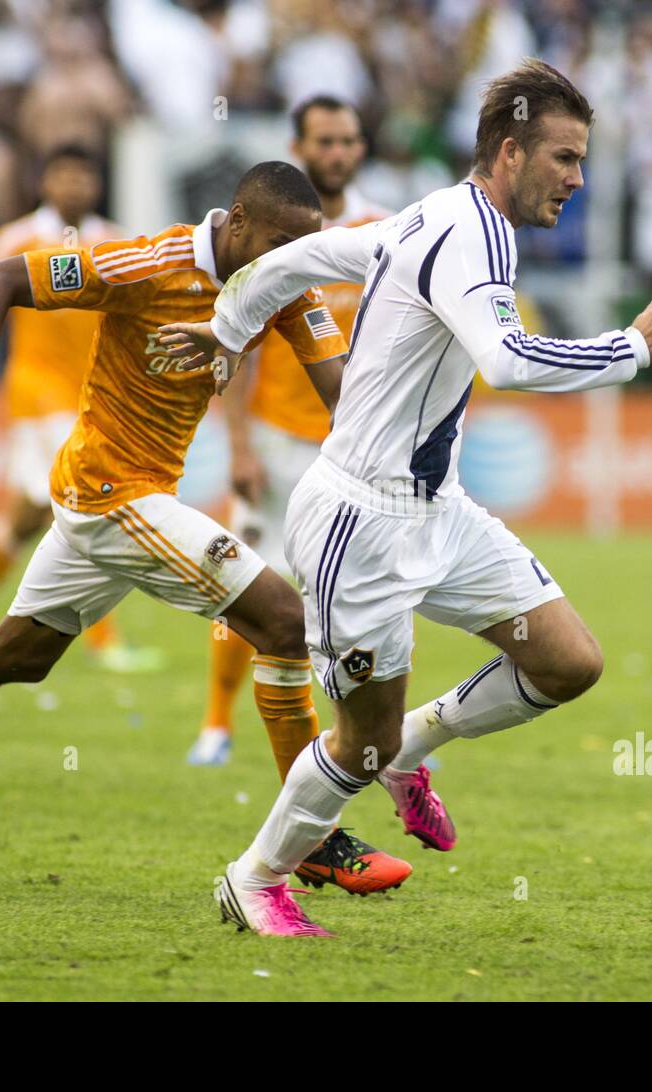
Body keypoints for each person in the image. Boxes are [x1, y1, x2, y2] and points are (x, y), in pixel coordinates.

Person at [161, 61, 652, 937]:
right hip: (360, 528)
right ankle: (254, 877)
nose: (578, 179)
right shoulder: (470, 235)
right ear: (509, 150)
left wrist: (227, 330)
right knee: (357, 743)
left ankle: (412, 747)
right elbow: (508, 360)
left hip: (439, 514)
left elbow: (302, 256)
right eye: (564, 158)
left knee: (568, 662)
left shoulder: (434, 215)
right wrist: (631, 347)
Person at [0, 162, 411, 897]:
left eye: (303, 249)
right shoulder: (148, 263)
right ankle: (314, 840)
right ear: (237, 221)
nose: (290, 261)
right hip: (116, 495)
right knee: (283, 620)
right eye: (277, 243)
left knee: (17, 656)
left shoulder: (283, 283)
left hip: (113, 498)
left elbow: (343, 391)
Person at [188, 95, 389, 771]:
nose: (338, 152)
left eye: (348, 140)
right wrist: (239, 444)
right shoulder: (279, 236)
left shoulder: (381, 231)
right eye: (324, 141)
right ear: (299, 148)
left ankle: (367, 734)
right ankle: (216, 723)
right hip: (274, 441)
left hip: (349, 449)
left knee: (355, 595)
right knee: (245, 583)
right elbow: (239, 347)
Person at [0, 143, 154, 672]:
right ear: (44, 182)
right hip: (37, 393)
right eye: (63, 175)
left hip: (92, 394)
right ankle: (106, 643)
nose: (73, 185)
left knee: (29, 516)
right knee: (93, 500)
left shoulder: (116, 240)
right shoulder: (16, 237)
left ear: (96, 185)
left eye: (84, 175)